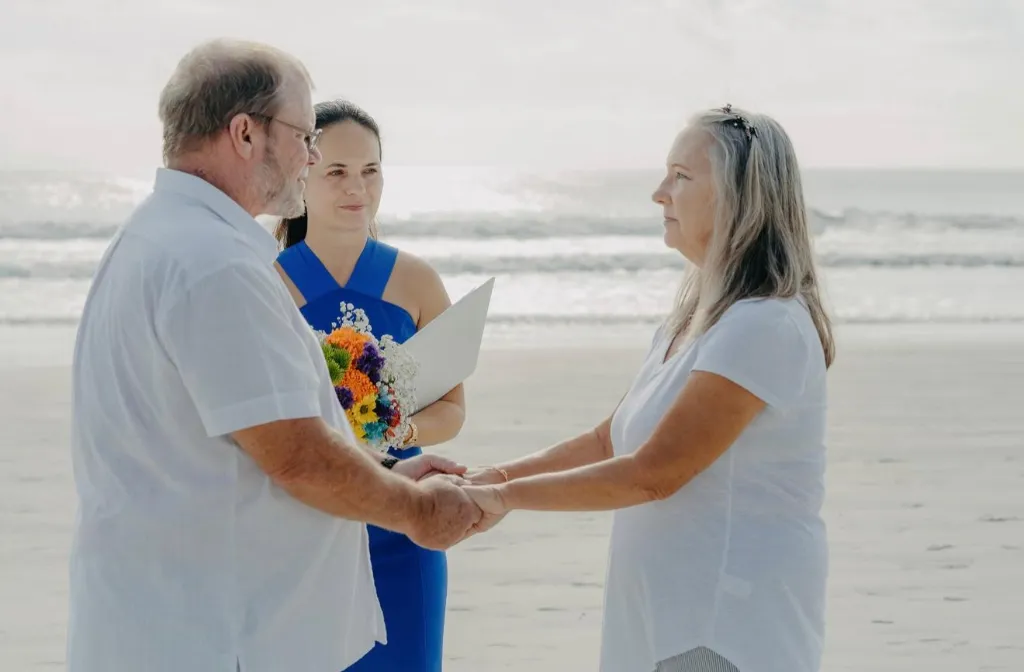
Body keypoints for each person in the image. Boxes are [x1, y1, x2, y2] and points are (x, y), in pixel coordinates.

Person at [66, 39, 480, 672]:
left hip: (167, 618)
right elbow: (297, 459)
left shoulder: (156, 236)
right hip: (210, 632)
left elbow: (239, 455)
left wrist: (390, 473)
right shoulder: (215, 266)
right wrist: (416, 510)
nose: (311, 156)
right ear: (243, 133)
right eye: (304, 137)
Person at [462, 106, 835, 672]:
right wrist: (495, 477)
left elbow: (654, 473)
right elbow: (608, 442)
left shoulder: (765, 324)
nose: (660, 193)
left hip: (724, 630)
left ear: (740, 196)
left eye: (682, 177)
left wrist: (505, 499)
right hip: (664, 623)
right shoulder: (694, 321)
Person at [273, 99, 469, 672]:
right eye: (336, 171)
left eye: (370, 171)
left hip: (401, 521)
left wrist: (391, 427)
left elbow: (453, 410)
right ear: (302, 171)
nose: (356, 188)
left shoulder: (415, 279)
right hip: (303, 525)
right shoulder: (267, 281)